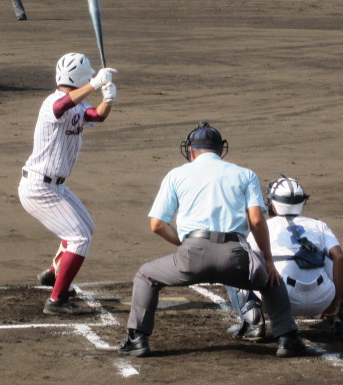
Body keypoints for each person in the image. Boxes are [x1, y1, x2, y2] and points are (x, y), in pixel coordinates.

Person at [118, 122, 306, 358]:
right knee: (271, 279)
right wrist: (268, 261)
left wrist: (184, 244)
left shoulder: (176, 174)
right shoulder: (245, 174)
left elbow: (157, 224)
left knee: (146, 275)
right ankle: (288, 339)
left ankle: (137, 339)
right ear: (221, 149)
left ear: (191, 151)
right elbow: (257, 221)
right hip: (235, 257)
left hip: (191, 255)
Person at [18, 53, 117, 315]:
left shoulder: (78, 104)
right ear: (81, 78)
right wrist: (95, 85)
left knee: (87, 228)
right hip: (39, 188)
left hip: (56, 187)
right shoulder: (52, 102)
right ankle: (57, 300)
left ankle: (54, 273)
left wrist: (108, 100)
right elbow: (61, 106)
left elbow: (95, 116)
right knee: (79, 238)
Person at [226, 175, 343, 341]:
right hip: (322, 298)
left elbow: (247, 258)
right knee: (331, 260)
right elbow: (339, 257)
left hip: (280, 299)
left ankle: (253, 322)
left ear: (272, 204)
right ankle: (338, 315)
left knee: (240, 261)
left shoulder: (265, 226)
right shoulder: (319, 225)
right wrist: (336, 300)